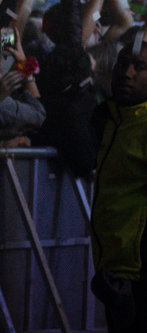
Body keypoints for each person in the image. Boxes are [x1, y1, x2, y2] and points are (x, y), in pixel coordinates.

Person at [90, 28, 147, 333]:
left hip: (138, 275)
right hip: (116, 272)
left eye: (140, 67)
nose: (126, 73)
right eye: (123, 63)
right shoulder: (113, 118)